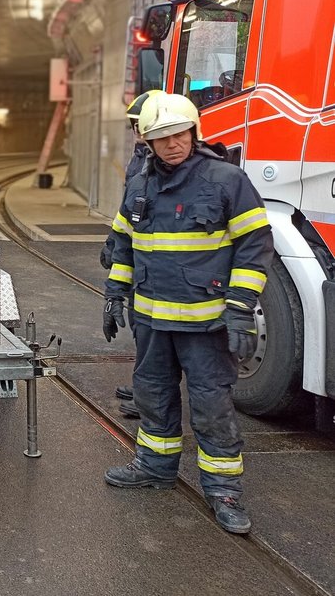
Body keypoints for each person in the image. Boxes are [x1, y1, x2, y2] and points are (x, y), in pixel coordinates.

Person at [101, 92, 273, 535]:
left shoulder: (225, 180)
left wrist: (239, 309)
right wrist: (115, 292)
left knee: (211, 405)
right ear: (148, 142)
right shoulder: (138, 184)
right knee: (152, 395)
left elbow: (255, 247)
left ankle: (223, 491)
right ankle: (155, 467)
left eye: (178, 134)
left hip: (206, 322)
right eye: (161, 138)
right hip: (153, 322)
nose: (172, 144)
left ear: (193, 132)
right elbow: (124, 243)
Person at [100, 89, 163, 419]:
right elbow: (129, 207)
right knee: (142, 326)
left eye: (140, 125)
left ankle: (149, 394)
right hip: (140, 257)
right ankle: (144, 386)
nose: (136, 133)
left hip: (157, 263)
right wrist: (114, 239)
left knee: (151, 330)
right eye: (133, 126)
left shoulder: (156, 160)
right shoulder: (142, 155)